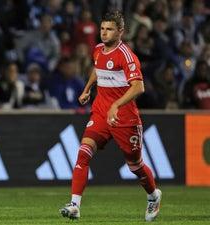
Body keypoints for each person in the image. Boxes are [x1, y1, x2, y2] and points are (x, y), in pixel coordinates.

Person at [59, 11, 162, 222]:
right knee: (83, 152)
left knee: (135, 165)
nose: (104, 33)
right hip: (100, 112)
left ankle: (153, 195)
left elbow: (139, 86)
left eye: (110, 29)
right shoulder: (97, 50)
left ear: (120, 32)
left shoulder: (126, 56)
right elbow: (98, 69)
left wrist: (116, 103)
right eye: (103, 29)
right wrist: (87, 88)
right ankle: (75, 205)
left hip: (125, 117)